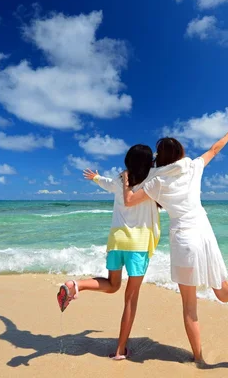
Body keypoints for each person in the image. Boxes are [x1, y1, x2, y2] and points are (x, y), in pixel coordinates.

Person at [122, 118, 228, 363]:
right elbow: (214, 149)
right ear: (180, 153)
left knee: (189, 308)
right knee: (223, 293)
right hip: (205, 234)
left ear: (160, 158)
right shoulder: (193, 167)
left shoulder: (158, 181)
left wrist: (125, 182)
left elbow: (130, 201)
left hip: (185, 240)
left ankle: (200, 360)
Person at [56, 144, 160, 360]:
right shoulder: (152, 182)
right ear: (149, 163)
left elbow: (105, 183)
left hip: (116, 240)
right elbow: (162, 167)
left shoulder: (120, 180)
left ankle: (76, 285)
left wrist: (95, 177)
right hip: (138, 245)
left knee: (113, 285)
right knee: (130, 299)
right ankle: (120, 350)